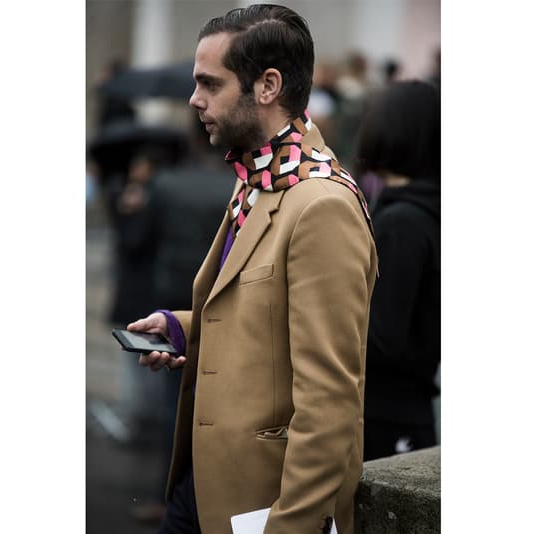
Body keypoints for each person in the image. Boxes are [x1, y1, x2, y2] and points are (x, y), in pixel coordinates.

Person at [125, 5, 378, 533]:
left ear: (267, 86)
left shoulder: (320, 203)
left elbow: (330, 404)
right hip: (202, 488)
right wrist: (184, 328)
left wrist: (289, 526)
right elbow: (266, 320)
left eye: (209, 84)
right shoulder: (259, 176)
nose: (194, 99)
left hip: (260, 507)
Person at [354, 81, 441, 460]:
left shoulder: (402, 221)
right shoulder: (426, 210)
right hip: (407, 414)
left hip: (384, 418)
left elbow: (381, 338)